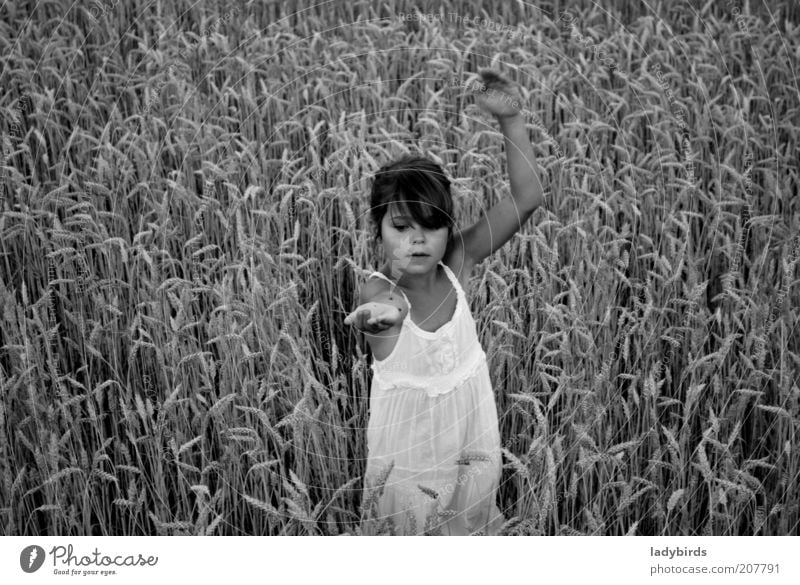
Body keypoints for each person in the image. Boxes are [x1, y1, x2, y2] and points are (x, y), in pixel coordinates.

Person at [345, 68, 546, 535]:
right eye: (400, 227)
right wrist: (382, 320)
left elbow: (528, 196)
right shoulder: (379, 291)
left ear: (448, 229)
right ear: (376, 229)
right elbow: (381, 312)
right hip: (411, 456)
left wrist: (512, 121)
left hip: (470, 436)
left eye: (430, 226)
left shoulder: (457, 261)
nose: (417, 241)